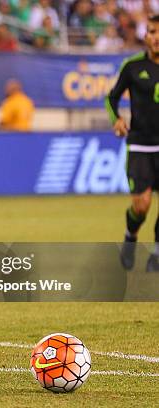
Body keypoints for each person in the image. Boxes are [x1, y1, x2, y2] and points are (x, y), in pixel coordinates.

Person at [106, 14, 159, 272]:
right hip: (140, 146)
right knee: (142, 205)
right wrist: (116, 119)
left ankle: (156, 254)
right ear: (145, 35)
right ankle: (130, 236)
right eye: (152, 31)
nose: (156, 37)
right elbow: (111, 97)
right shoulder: (133, 66)